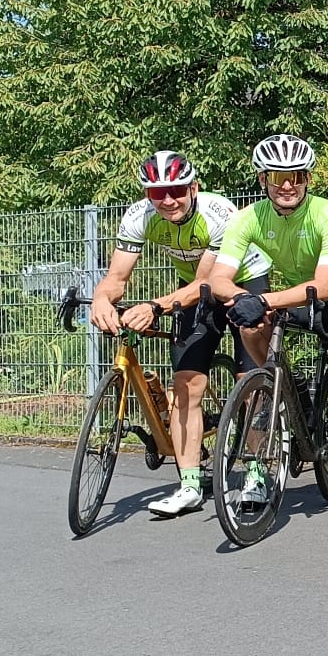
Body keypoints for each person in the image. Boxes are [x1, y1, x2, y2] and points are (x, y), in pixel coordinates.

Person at [205, 134, 328, 532]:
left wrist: (263, 298)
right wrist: (242, 298)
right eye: (278, 176)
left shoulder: (327, 214)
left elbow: (325, 286)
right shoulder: (248, 218)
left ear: (308, 178)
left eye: (296, 176)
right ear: (263, 180)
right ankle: (284, 390)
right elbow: (219, 278)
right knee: (250, 324)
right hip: (299, 298)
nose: (288, 185)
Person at [93, 152, 271, 517]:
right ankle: (189, 484)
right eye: (157, 193)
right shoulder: (139, 216)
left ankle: (257, 471)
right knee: (186, 384)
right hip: (191, 288)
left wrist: (155, 307)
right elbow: (117, 277)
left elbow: (209, 282)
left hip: (241, 282)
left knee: (249, 380)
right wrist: (101, 300)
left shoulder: (218, 214)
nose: (168, 200)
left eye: (176, 190)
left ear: (193, 188)